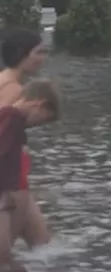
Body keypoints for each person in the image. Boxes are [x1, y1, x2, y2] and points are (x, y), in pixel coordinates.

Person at [0, 80, 60, 272]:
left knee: (7, 259)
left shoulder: (11, 119)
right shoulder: (12, 118)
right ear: (38, 104)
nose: (36, 125)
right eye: (42, 120)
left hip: (6, 195)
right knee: (4, 257)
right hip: (2, 196)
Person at [0, 32, 50, 251]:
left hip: (13, 172)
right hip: (11, 175)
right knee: (13, 249)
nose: (43, 57)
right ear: (23, 54)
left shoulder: (3, 79)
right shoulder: (14, 90)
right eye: (39, 52)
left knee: (43, 244)